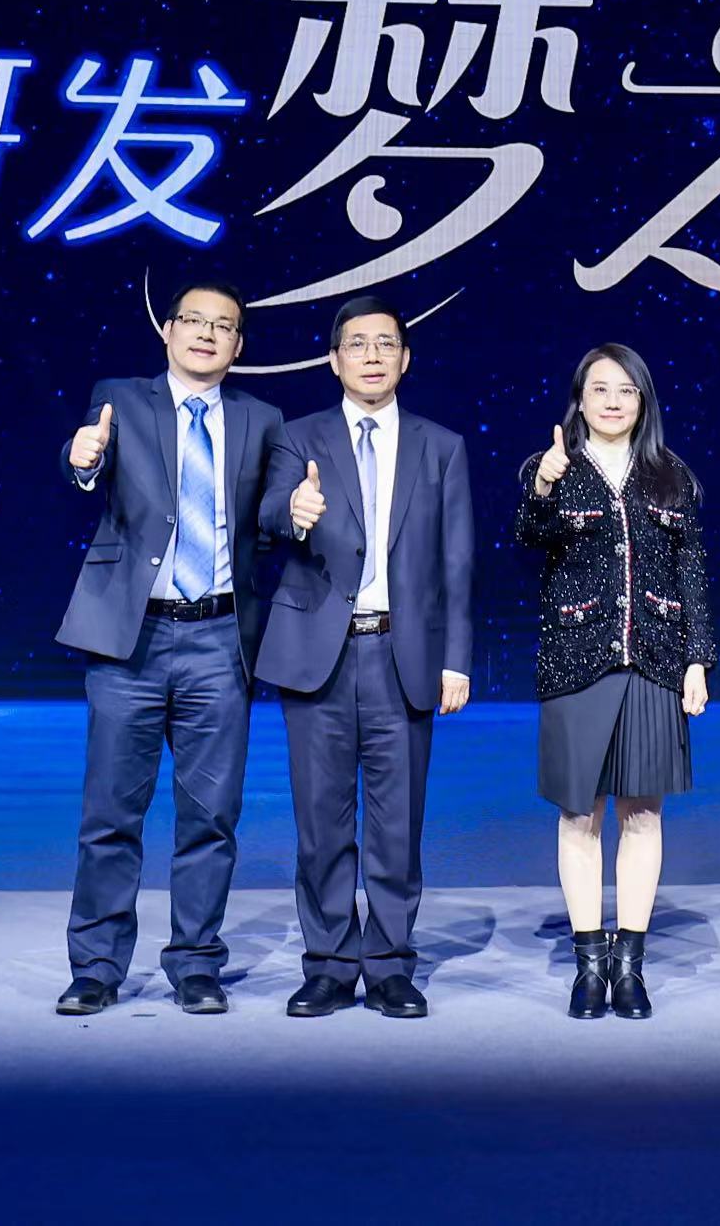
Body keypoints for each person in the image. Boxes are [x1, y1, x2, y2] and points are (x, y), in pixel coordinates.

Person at [52, 280, 281, 1018]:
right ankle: (96, 966)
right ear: (168, 330)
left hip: (220, 637)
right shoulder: (120, 398)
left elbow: (274, 511)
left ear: (239, 344)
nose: (207, 333)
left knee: (210, 816)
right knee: (110, 814)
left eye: (224, 325)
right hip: (132, 639)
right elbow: (88, 460)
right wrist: (82, 458)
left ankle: (196, 963)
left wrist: (297, 510)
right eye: (194, 320)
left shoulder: (262, 418)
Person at [259, 295, 475, 1020]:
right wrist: (292, 514)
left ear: (405, 359)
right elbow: (266, 514)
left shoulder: (441, 446)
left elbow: (457, 562)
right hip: (316, 654)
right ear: (334, 359)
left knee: (396, 824)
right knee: (321, 822)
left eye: (386, 343)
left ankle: (388, 964)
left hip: (401, 654)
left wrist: (456, 659)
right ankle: (327, 964)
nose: (372, 355)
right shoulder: (296, 436)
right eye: (357, 343)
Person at [514, 345, 715, 1019]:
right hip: (575, 662)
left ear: (643, 401)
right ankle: (588, 965)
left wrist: (697, 657)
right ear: (579, 399)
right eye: (599, 389)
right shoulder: (552, 467)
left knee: (643, 814)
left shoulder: (669, 475)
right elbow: (527, 540)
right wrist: (543, 489)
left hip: (655, 661)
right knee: (580, 815)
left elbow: (691, 568)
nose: (611, 401)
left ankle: (629, 966)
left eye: (626, 390)